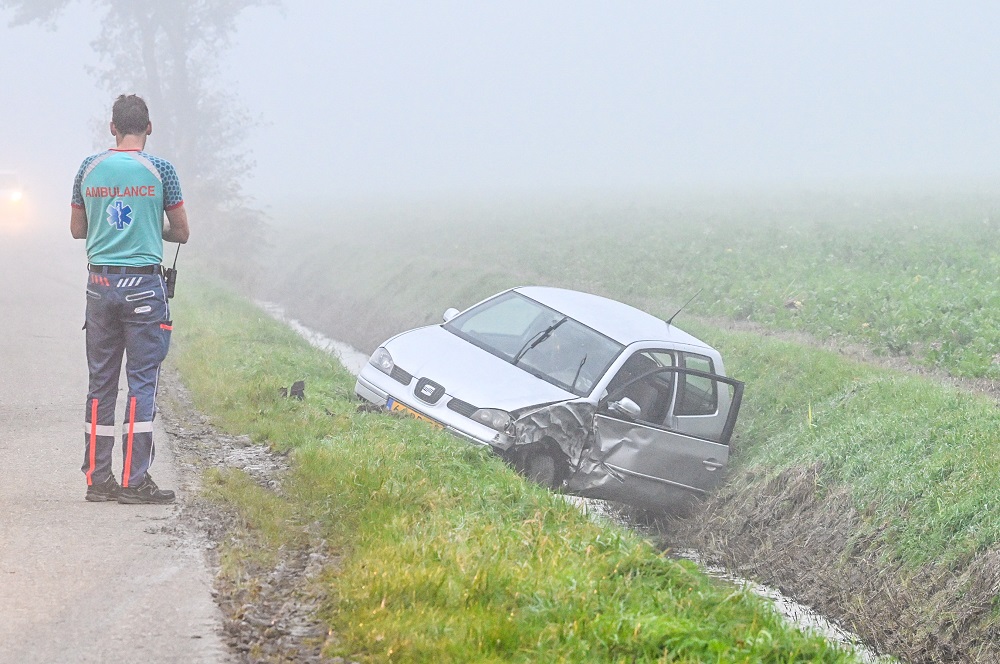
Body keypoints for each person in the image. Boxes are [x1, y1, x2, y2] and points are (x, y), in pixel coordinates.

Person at [70, 94, 190, 504]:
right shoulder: (162, 171)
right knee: (142, 385)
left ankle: (97, 481)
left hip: (99, 287)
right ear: (149, 128)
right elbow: (181, 232)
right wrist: (146, 227)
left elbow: (76, 229)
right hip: (143, 289)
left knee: (100, 385)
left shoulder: (88, 168)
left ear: (112, 128)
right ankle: (133, 481)